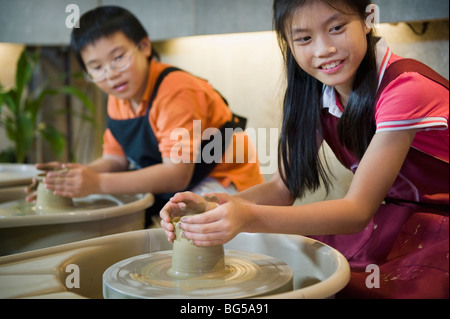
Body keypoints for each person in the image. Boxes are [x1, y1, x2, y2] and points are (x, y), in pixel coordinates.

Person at [160, 0, 449, 299]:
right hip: (399, 217)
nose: (324, 49)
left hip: (438, 222)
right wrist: (215, 208)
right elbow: (282, 189)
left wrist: (246, 217)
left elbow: (357, 211)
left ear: (367, 19)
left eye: (336, 28)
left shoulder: (405, 89)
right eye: (304, 38)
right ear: (288, 43)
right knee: (304, 263)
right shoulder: (316, 92)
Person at [25, 6, 263, 227]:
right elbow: (115, 161)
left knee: (184, 231)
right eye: (97, 68)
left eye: (119, 57)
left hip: (225, 183)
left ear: (145, 47)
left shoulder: (176, 90)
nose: (111, 74)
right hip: (182, 185)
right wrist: (71, 177)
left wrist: (95, 183)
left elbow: (176, 175)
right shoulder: (119, 98)